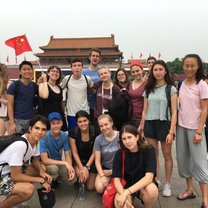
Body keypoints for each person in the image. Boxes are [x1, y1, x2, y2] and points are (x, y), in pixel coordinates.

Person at [140, 60, 177, 197]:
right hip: (150, 123)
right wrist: (142, 128)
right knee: (153, 155)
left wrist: (171, 131)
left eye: (161, 69)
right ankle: (156, 179)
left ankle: (167, 183)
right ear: (152, 71)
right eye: (155, 70)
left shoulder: (171, 89)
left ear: (165, 71)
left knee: (167, 155)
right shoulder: (148, 89)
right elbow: (144, 110)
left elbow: (174, 112)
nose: (158, 72)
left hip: (164, 124)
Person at [176, 54, 208, 208]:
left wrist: (199, 131)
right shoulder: (181, 84)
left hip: (196, 129)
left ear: (198, 67)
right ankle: (190, 190)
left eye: (192, 66)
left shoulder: (201, 84)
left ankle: (205, 200)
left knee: (200, 163)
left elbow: (205, 108)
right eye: (186, 65)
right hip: (181, 127)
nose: (189, 68)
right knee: (184, 161)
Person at [0, 115, 52, 208]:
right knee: (28, 190)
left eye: (43, 129)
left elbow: (35, 160)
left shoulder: (36, 141)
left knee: (41, 168)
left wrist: (42, 173)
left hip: (9, 172)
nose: (40, 132)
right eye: (37, 128)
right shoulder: (21, 145)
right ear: (30, 128)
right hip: (2, 175)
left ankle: (15, 197)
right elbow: (15, 176)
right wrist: (40, 180)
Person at [112, 125, 158, 208]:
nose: (127, 141)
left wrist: (127, 192)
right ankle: (129, 200)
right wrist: (124, 195)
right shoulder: (119, 153)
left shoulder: (149, 150)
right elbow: (116, 179)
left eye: (130, 137)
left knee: (153, 191)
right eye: (124, 139)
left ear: (137, 137)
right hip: (125, 186)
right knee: (120, 204)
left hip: (142, 186)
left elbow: (149, 178)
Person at [40, 112, 75, 189]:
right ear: (49, 125)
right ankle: (48, 181)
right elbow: (44, 160)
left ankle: (56, 178)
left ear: (62, 123)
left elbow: (67, 155)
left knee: (71, 177)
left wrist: (70, 167)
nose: (56, 126)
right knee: (53, 169)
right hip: (45, 164)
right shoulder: (44, 137)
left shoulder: (64, 136)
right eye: (53, 123)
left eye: (58, 123)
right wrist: (64, 162)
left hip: (57, 161)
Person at [7, 61, 38, 135]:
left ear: (32, 70)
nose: (27, 71)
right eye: (24, 69)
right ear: (20, 71)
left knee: (30, 144)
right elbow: (10, 105)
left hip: (31, 120)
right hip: (17, 121)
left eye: (29, 69)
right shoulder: (14, 86)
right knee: (17, 144)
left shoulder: (35, 86)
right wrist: (12, 123)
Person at [69, 110, 98, 190]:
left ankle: (93, 175)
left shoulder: (95, 131)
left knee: (90, 187)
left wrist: (87, 167)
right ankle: (80, 177)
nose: (83, 123)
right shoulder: (73, 132)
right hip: (79, 161)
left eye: (85, 120)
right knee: (82, 177)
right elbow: (74, 153)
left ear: (88, 120)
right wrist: (82, 168)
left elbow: (94, 152)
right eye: (80, 122)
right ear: (77, 123)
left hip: (91, 161)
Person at [62, 58, 93, 131]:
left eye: (79, 65)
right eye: (74, 65)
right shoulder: (67, 79)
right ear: (71, 68)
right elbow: (59, 89)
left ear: (82, 67)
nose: (77, 67)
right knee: (72, 134)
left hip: (85, 112)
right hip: (71, 113)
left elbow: (92, 90)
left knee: (85, 133)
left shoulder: (87, 79)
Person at [94, 114, 120, 193]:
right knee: (99, 188)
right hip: (106, 168)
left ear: (111, 123)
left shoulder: (120, 135)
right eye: (101, 126)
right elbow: (97, 161)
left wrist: (113, 171)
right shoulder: (98, 139)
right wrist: (102, 175)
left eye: (106, 124)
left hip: (120, 168)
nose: (104, 128)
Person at [39, 65, 67, 131]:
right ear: (48, 73)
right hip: (47, 117)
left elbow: (60, 103)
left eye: (57, 72)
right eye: (52, 71)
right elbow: (45, 96)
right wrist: (45, 81)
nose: (55, 73)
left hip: (59, 117)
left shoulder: (59, 87)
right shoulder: (42, 85)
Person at [94, 66, 120, 131]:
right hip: (98, 117)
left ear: (110, 73)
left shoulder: (115, 89)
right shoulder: (98, 85)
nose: (104, 75)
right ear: (99, 76)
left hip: (110, 118)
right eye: (101, 74)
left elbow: (119, 104)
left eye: (105, 73)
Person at [83, 48, 102, 123]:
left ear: (100, 59)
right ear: (89, 57)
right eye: (93, 56)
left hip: (100, 105)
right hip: (87, 105)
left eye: (97, 56)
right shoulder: (84, 73)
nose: (95, 58)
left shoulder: (103, 72)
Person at [127, 61, 146, 128]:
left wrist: (142, 123)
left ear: (142, 70)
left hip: (142, 118)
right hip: (130, 117)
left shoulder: (147, 84)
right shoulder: (129, 84)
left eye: (137, 71)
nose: (135, 73)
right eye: (133, 72)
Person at [0, 63, 10, 136]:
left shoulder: (8, 85)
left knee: (10, 137)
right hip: (3, 114)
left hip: (5, 115)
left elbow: (9, 102)